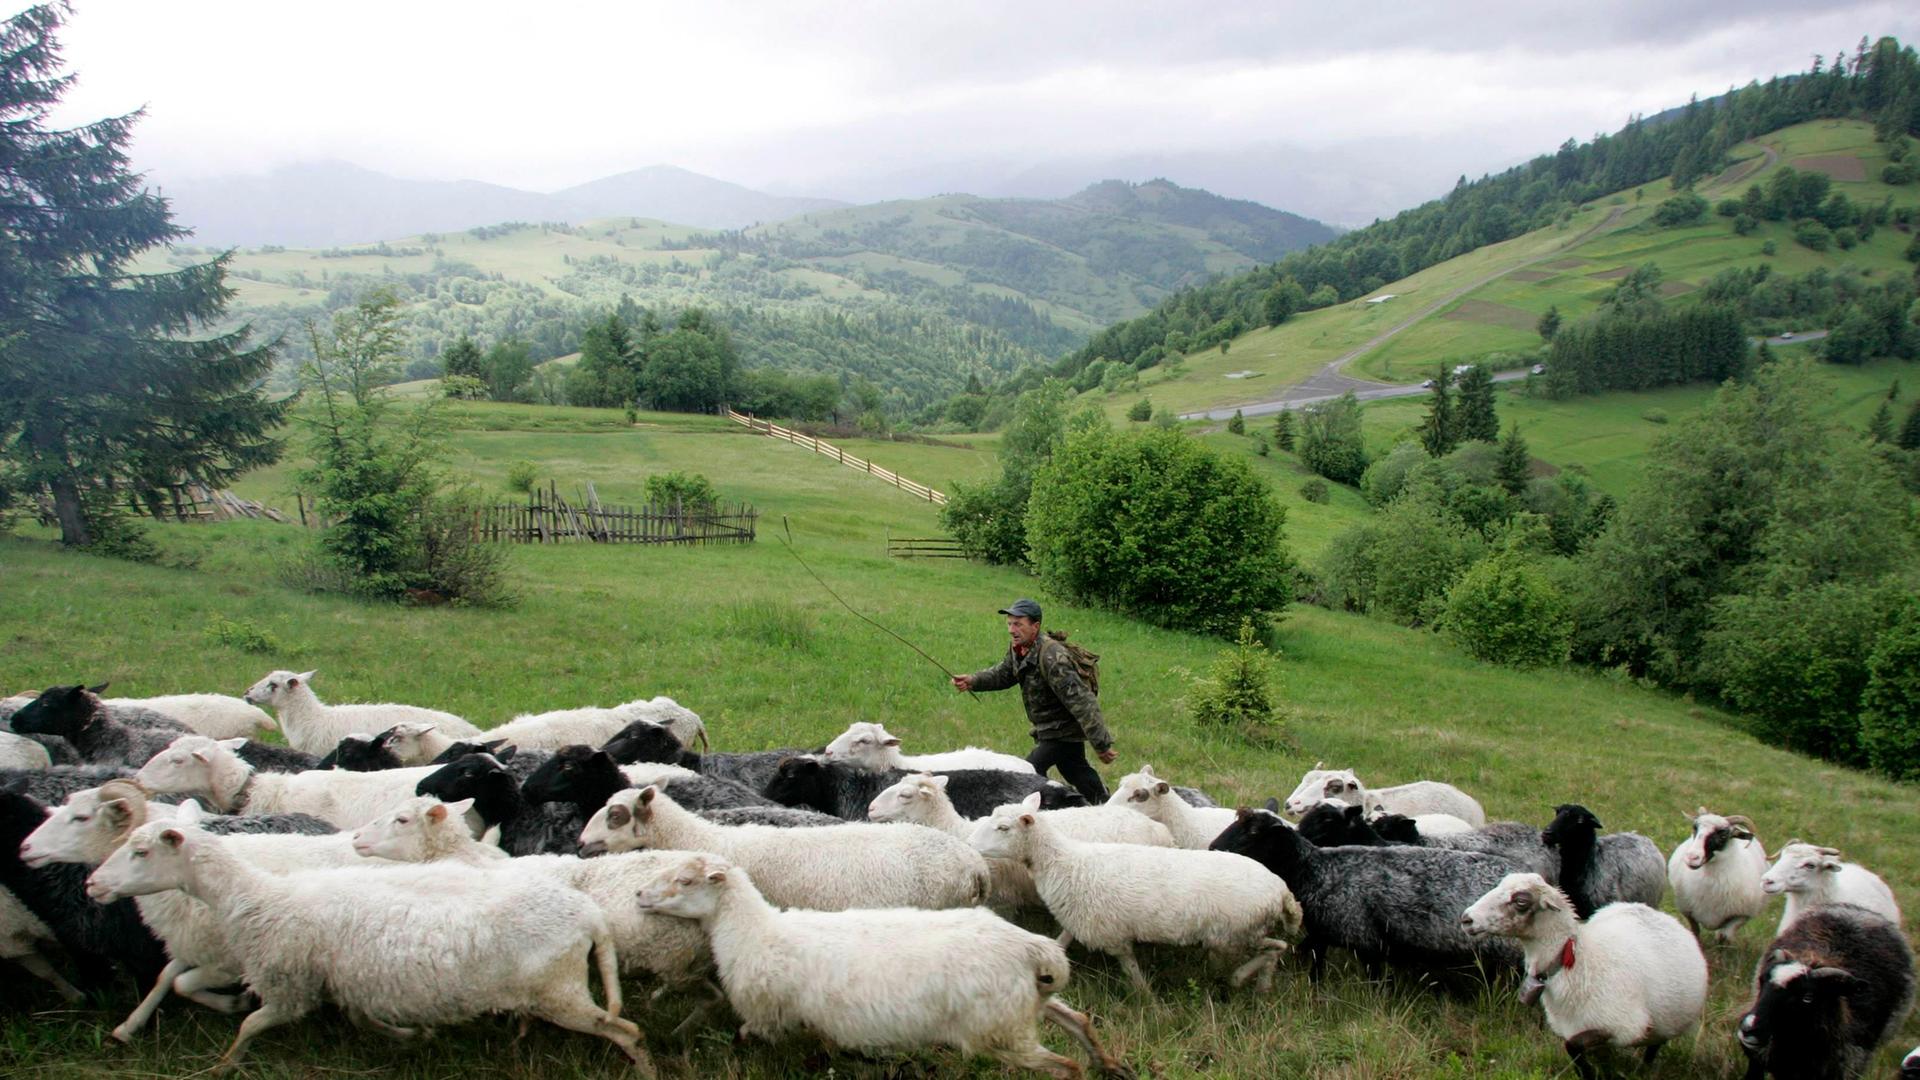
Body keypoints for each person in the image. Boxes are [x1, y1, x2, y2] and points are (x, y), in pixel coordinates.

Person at [951, 598, 1115, 803]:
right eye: (1009, 623)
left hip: (1061, 731)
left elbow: (1082, 702)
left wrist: (1102, 744)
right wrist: (973, 681)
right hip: (1050, 728)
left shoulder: (1052, 657)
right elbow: (1005, 673)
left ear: (1035, 626)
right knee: (1074, 768)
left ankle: (1046, 808)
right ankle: (1103, 805)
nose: (1011, 629)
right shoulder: (1019, 648)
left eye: (1018, 624)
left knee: (1026, 773)